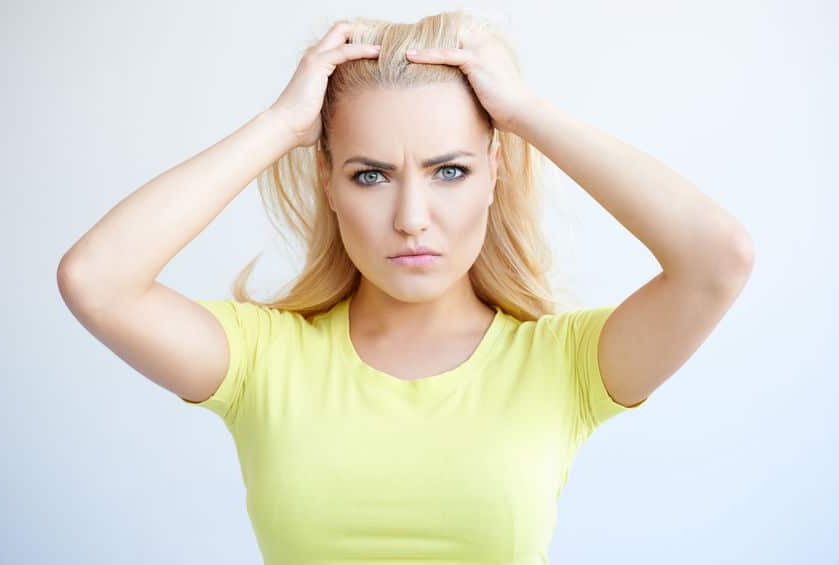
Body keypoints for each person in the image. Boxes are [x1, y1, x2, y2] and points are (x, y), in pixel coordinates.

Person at [57, 10, 754, 564]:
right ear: (327, 181)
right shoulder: (262, 359)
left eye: (448, 169)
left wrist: (525, 114)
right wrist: (280, 126)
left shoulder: (562, 363)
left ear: (493, 171)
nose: (411, 217)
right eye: (370, 174)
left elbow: (717, 258)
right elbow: (96, 280)